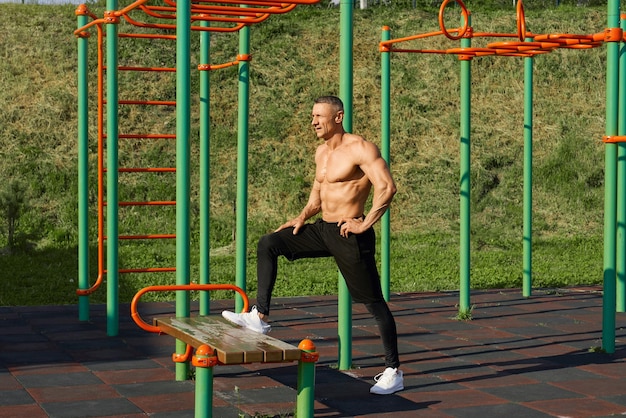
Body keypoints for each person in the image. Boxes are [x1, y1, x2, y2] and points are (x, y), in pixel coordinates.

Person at [222, 95, 403, 395]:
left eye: (319, 116)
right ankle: (260, 316)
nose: (314, 121)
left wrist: (363, 223)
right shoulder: (322, 153)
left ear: (338, 117)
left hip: (350, 233)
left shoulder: (360, 148)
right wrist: (301, 217)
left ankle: (393, 371)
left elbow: (387, 187)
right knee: (269, 243)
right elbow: (317, 194)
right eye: (312, 116)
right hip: (322, 229)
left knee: (372, 302)